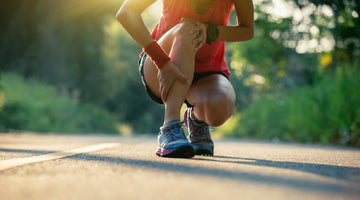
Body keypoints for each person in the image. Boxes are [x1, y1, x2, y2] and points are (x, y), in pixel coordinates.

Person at [116, 0, 254, 158]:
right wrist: (162, 61)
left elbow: (247, 30)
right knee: (188, 27)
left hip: (207, 69)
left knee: (219, 107)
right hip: (161, 64)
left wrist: (211, 31)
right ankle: (170, 126)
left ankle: (196, 120)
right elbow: (126, 12)